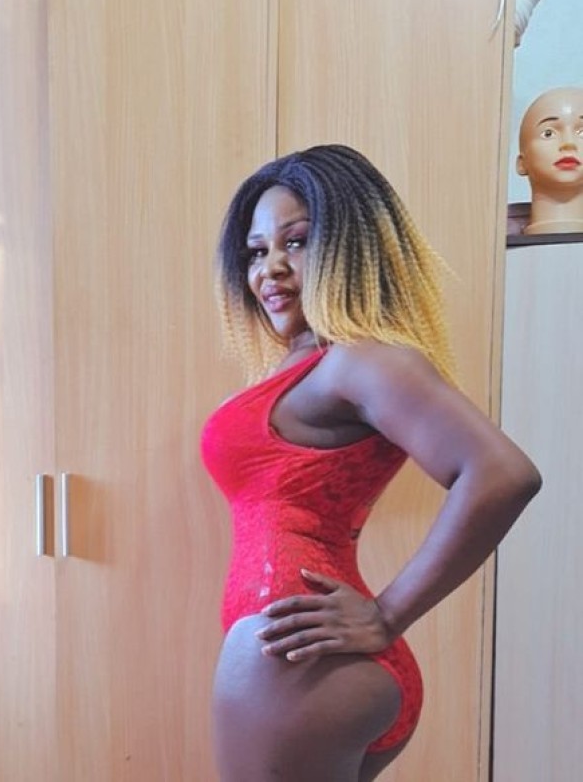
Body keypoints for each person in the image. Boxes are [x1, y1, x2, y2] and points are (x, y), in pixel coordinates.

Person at [201, 144, 541, 782]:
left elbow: (503, 474)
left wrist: (388, 614)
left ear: (349, 246)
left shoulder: (358, 359)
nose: (270, 268)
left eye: (296, 241)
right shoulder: (312, 364)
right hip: (311, 657)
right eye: (256, 251)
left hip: (294, 651)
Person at [517, 86, 583, 234]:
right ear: (521, 163)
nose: (568, 143)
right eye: (548, 133)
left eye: (581, 133)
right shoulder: (483, 238)